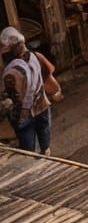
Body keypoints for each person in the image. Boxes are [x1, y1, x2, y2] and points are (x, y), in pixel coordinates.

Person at [1, 26, 56, 154]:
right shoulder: (36, 56)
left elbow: (10, 96)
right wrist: (55, 91)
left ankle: (37, 158)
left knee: (29, 147)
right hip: (41, 105)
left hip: (24, 114)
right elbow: (48, 74)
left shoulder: (11, 71)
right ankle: (45, 155)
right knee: (44, 137)